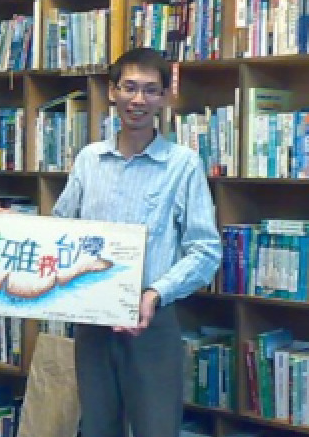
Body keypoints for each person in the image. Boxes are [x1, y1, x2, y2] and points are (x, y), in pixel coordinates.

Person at [51, 47, 222, 437]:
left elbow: (206, 250)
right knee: (97, 427)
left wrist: (155, 294)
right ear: (112, 92)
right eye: (129, 87)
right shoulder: (89, 160)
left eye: (150, 90)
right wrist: (9, 228)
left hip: (152, 319)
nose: (138, 100)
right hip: (92, 317)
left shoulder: (182, 164)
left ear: (164, 97)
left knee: (156, 428)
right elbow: (60, 230)